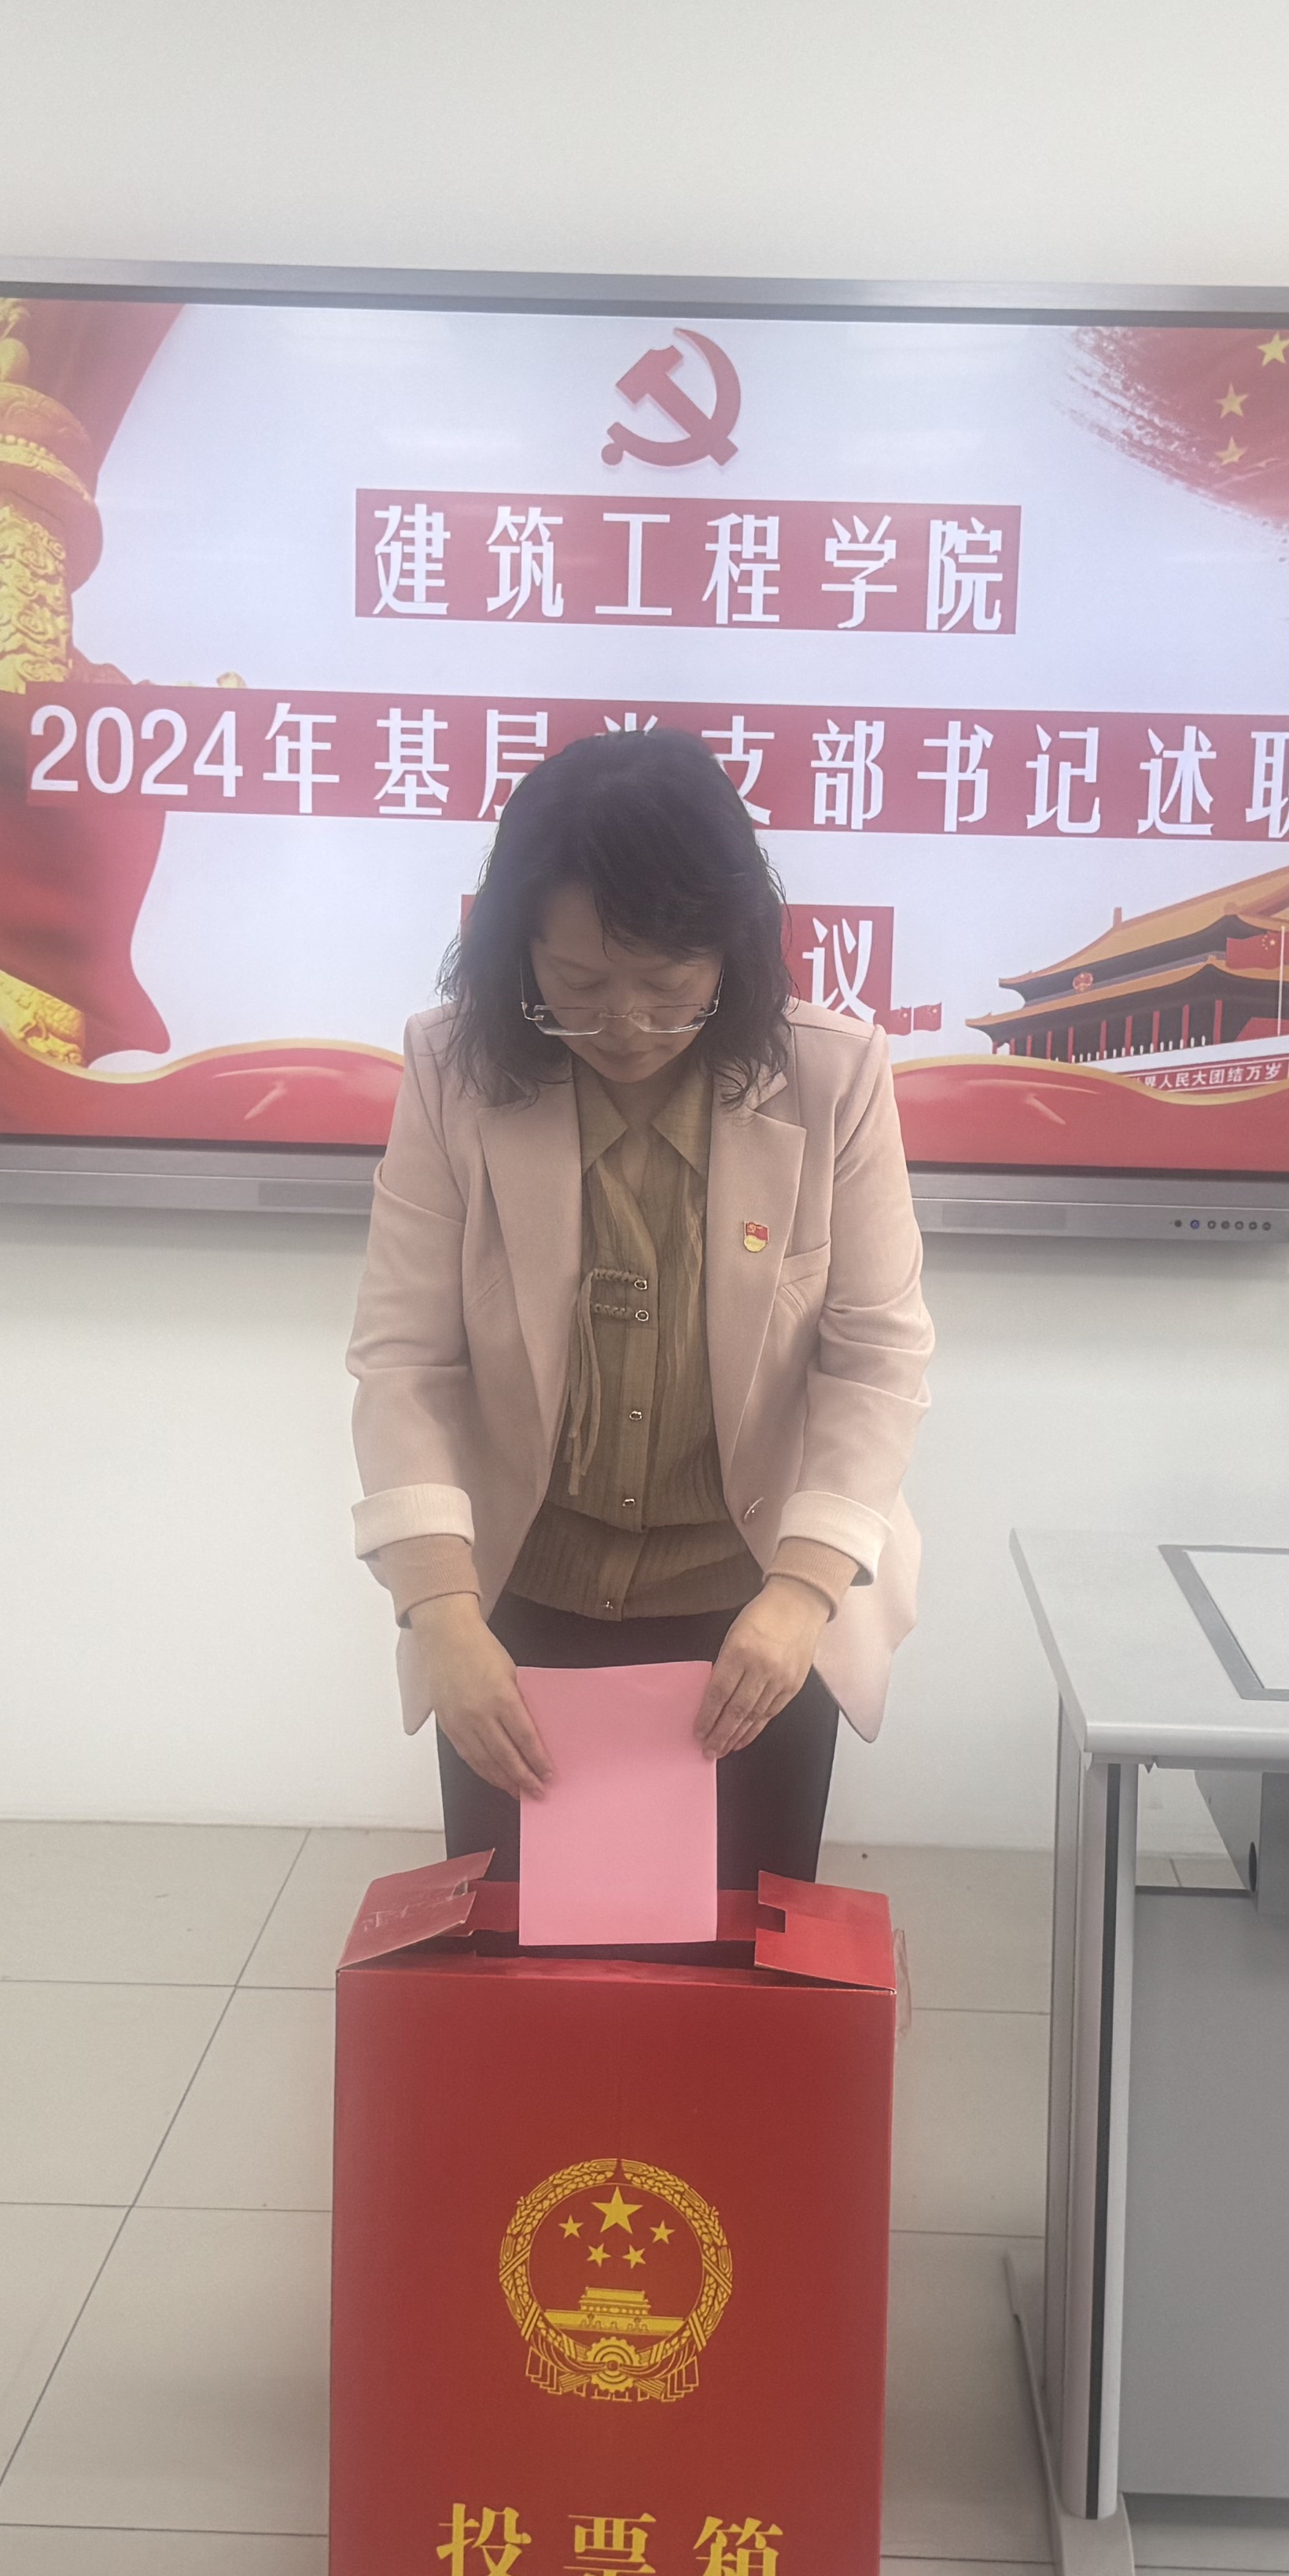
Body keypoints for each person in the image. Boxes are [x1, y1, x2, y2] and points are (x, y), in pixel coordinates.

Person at [347, 726, 932, 1886]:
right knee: (520, 1961)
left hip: (757, 1607)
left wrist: (803, 1592)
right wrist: (443, 1614)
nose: (625, 1026)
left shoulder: (831, 1077)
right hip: (517, 1602)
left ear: (733, 952)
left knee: (742, 1963)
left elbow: (876, 1358)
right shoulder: (455, 1071)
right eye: (579, 986)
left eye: (669, 988)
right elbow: (405, 1361)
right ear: (519, 954)